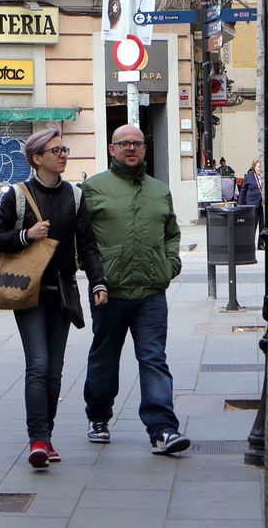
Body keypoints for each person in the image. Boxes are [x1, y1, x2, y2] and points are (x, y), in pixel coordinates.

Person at [0, 125, 108, 469]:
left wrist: (98, 282)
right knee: (38, 365)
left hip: (63, 291)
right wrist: (26, 235)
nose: (63, 155)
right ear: (36, 158)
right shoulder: (18, 195)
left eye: (64, 149)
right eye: (56, 151)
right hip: (28, 291)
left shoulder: (76, 196)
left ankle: (47, 435)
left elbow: (87, 245)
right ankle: (37, 439)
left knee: (54, 372)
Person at [82, 124, 191, 455]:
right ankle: (98, 416)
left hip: (151, 293)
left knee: (154, 358)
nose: (131, 148)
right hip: (108, 291)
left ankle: (162, 429)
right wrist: (95, 273)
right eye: (124, 143)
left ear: (145, 149)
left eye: (137, 143)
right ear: (112, 149)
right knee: (104, 358)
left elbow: (172, 232)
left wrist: (170, 264)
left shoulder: (160, 191)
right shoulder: (93, 189)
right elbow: (82, 239)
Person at [238, 159, 265, 250]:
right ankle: (249, 244)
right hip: (252, 205)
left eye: (261, 166)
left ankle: (261, 244)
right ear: (254, 167)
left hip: (263, 205)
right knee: (252, 226)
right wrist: (240, 205)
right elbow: (243, 191)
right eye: (258, 166)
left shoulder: (264, 176)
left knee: (263, 225)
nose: (259, 168)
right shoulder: (249, 176)